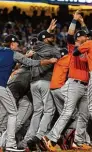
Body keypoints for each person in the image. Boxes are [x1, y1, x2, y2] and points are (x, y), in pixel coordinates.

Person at [0, 34, 56, 152]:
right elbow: (32, 63)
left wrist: (24, 56)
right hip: (0, 87)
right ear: (12, 44)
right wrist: (49, 60)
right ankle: (10, 145)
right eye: (16, 44)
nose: (18, 46)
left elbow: (14, 60)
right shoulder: (14, 54)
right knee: (13, 114)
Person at [43, 12, 91, 151]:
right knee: (68, 112)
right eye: (83, 35)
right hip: (74, 83)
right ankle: (51, 138)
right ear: (79, 38)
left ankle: (77, 141)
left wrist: (83, 23)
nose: (86, 37)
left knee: (84, 115)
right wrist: (74, 21)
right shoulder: (73, 48)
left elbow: (89, 37)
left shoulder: (88, 49)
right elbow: (70, 35)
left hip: (86, 86)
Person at [26, 19, 61, 151]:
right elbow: (61, 58)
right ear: (45, 39)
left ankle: (31, 137)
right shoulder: (51, 48)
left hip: (34, 83)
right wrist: (48, 30)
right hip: (45, 81)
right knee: (49, 110)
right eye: (50, 36)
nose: (52, 37)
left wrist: (48, 30)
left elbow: (41, 39)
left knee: (37, 111)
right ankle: (39, 136)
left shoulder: (37, 46)